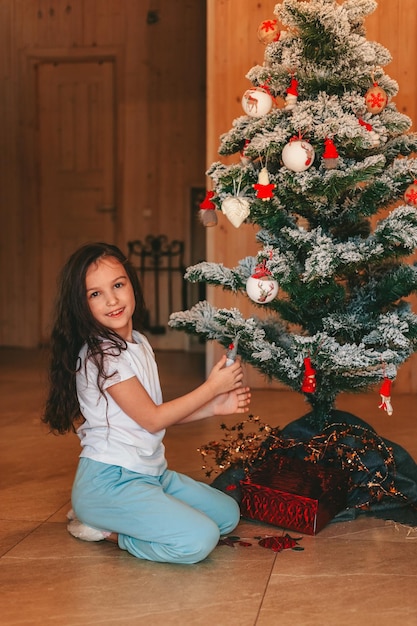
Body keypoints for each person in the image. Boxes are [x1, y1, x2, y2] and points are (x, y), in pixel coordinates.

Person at [43, 242, 251, 564]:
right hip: (109, 483)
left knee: (227, 515)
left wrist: (213, 407)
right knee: (199, 540)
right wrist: (211, 388)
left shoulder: (137, 342)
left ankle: (128, 513)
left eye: (118, 285)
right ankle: (103, 528)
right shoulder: (103, 356)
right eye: (94, 294)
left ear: (131, 284)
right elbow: (153, 419)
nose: (112, 300)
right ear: (80, 305)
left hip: (152, 474)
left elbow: (149, 415)